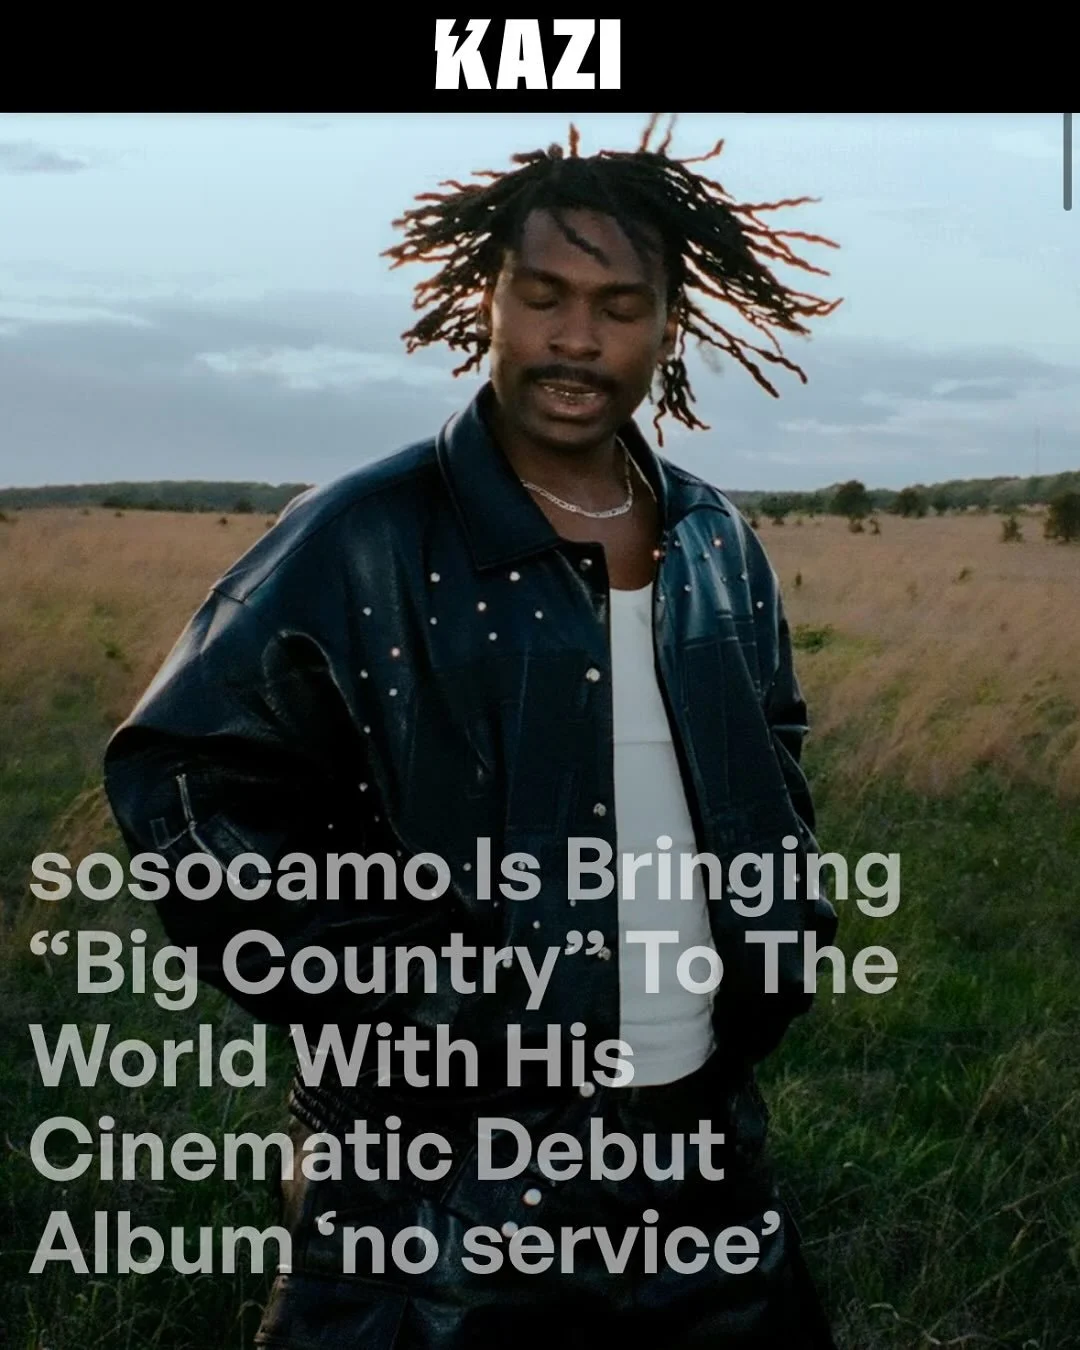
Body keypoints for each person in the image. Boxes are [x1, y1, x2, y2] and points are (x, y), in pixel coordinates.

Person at [104, 115, 842, 1348]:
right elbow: (182, 785)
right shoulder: (363, 534)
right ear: (484, 300)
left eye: (619, 303)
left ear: (671, 323)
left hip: (704, 1141)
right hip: (444, 1175)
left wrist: (779, 931)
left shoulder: (715, 540)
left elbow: (772, 744)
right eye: (542, 294)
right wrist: (415, 994)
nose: (575, 338)